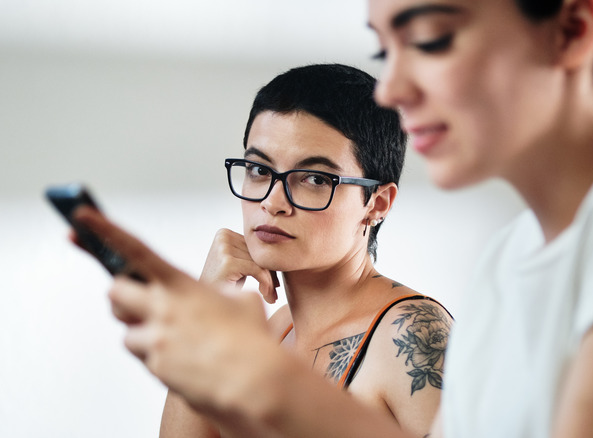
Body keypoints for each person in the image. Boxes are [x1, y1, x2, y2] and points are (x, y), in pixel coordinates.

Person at [69, 0, 593, 436]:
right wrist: (208, 359)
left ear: (570, 28)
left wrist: (255, 378)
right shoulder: (508, 264)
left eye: (432, 37)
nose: (392, 87)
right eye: (385, 48)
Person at [156, 63, 451, 437]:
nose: (272, 202)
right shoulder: (277, 331)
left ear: (377, 204)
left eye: (314, 179)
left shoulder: (410, 333)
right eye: (259, 171)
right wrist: (204, 309)